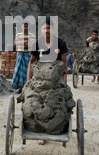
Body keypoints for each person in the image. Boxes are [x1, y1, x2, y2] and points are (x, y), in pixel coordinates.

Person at [27, 17, 68, 145]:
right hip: (39, 77)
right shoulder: (37, 43)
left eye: (49, 28)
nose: (47, 30)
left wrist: (64, 81)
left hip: (55, 78)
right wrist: (28, 79)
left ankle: (54, 127)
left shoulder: (60, 43)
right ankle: (40, 130)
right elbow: (32, 62)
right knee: (34, 101)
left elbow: (63, 63)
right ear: (41, 30)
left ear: (53, 29)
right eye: (44, 28)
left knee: (56, 101)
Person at [12, 22, 35, 94]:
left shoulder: (32, 35)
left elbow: (31, 44)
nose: (25, 28)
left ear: (28, 27)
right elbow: (16, 43)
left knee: (27, 72)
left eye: (26, 26)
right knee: (19, 72)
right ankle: (20, 88)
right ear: (21, 27)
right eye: (24, 26)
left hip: (27, 54)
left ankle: (27, 88)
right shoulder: (18, 35)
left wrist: (22, 42)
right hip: (20, 54)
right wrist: (26, 42)